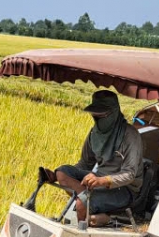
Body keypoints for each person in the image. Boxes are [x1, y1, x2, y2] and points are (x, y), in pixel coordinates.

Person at [41, 89, 144, 227]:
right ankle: (90, 205)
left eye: (102, 116)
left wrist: (102, 180)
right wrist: (54, 176)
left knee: (81, 203)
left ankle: (89, 215)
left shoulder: (130, 135)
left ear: (113, 113)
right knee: (62, 172)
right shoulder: (94, 133)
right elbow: (85, 164)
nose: (97, 120)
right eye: (95, 116)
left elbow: (130, 174)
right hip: (98, 179)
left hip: (124, 189)